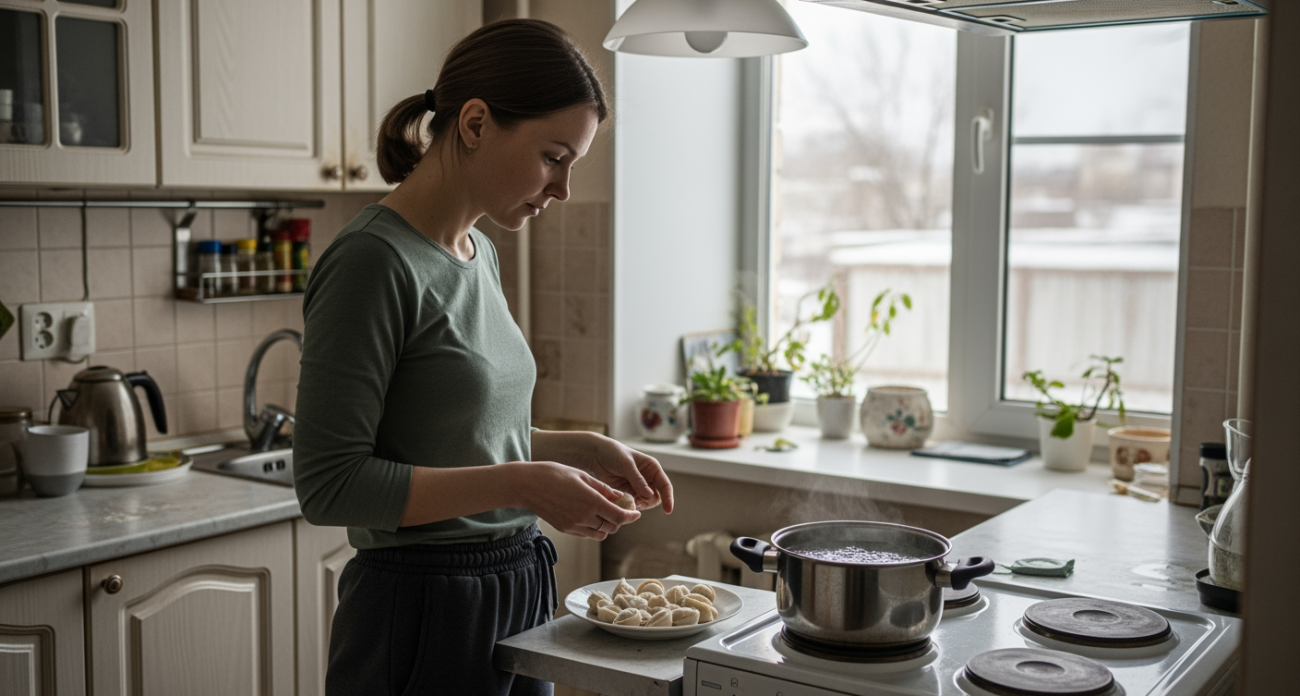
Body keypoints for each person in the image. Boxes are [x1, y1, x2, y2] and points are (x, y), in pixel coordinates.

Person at [292, 19, 675, 696]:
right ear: (474, 124)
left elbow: (452, 435)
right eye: (554, 156)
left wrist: (575, 449)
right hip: (420, 608)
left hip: (515, 583)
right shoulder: (372, 263)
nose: (560, 189)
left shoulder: (478, 253)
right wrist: (522, 483)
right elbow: (331, 484)